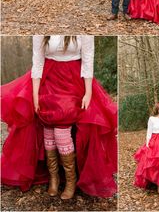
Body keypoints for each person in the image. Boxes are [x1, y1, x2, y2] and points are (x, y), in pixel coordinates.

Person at [1, 35, 117, 199]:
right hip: (47, 80)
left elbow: (88, 59)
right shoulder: (42, 31)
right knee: (48, 131)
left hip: (73, 80)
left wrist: (88, 91)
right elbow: (38, 62)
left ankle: (71, 180)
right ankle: (53, 178)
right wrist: (34, 94)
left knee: (61, 131)